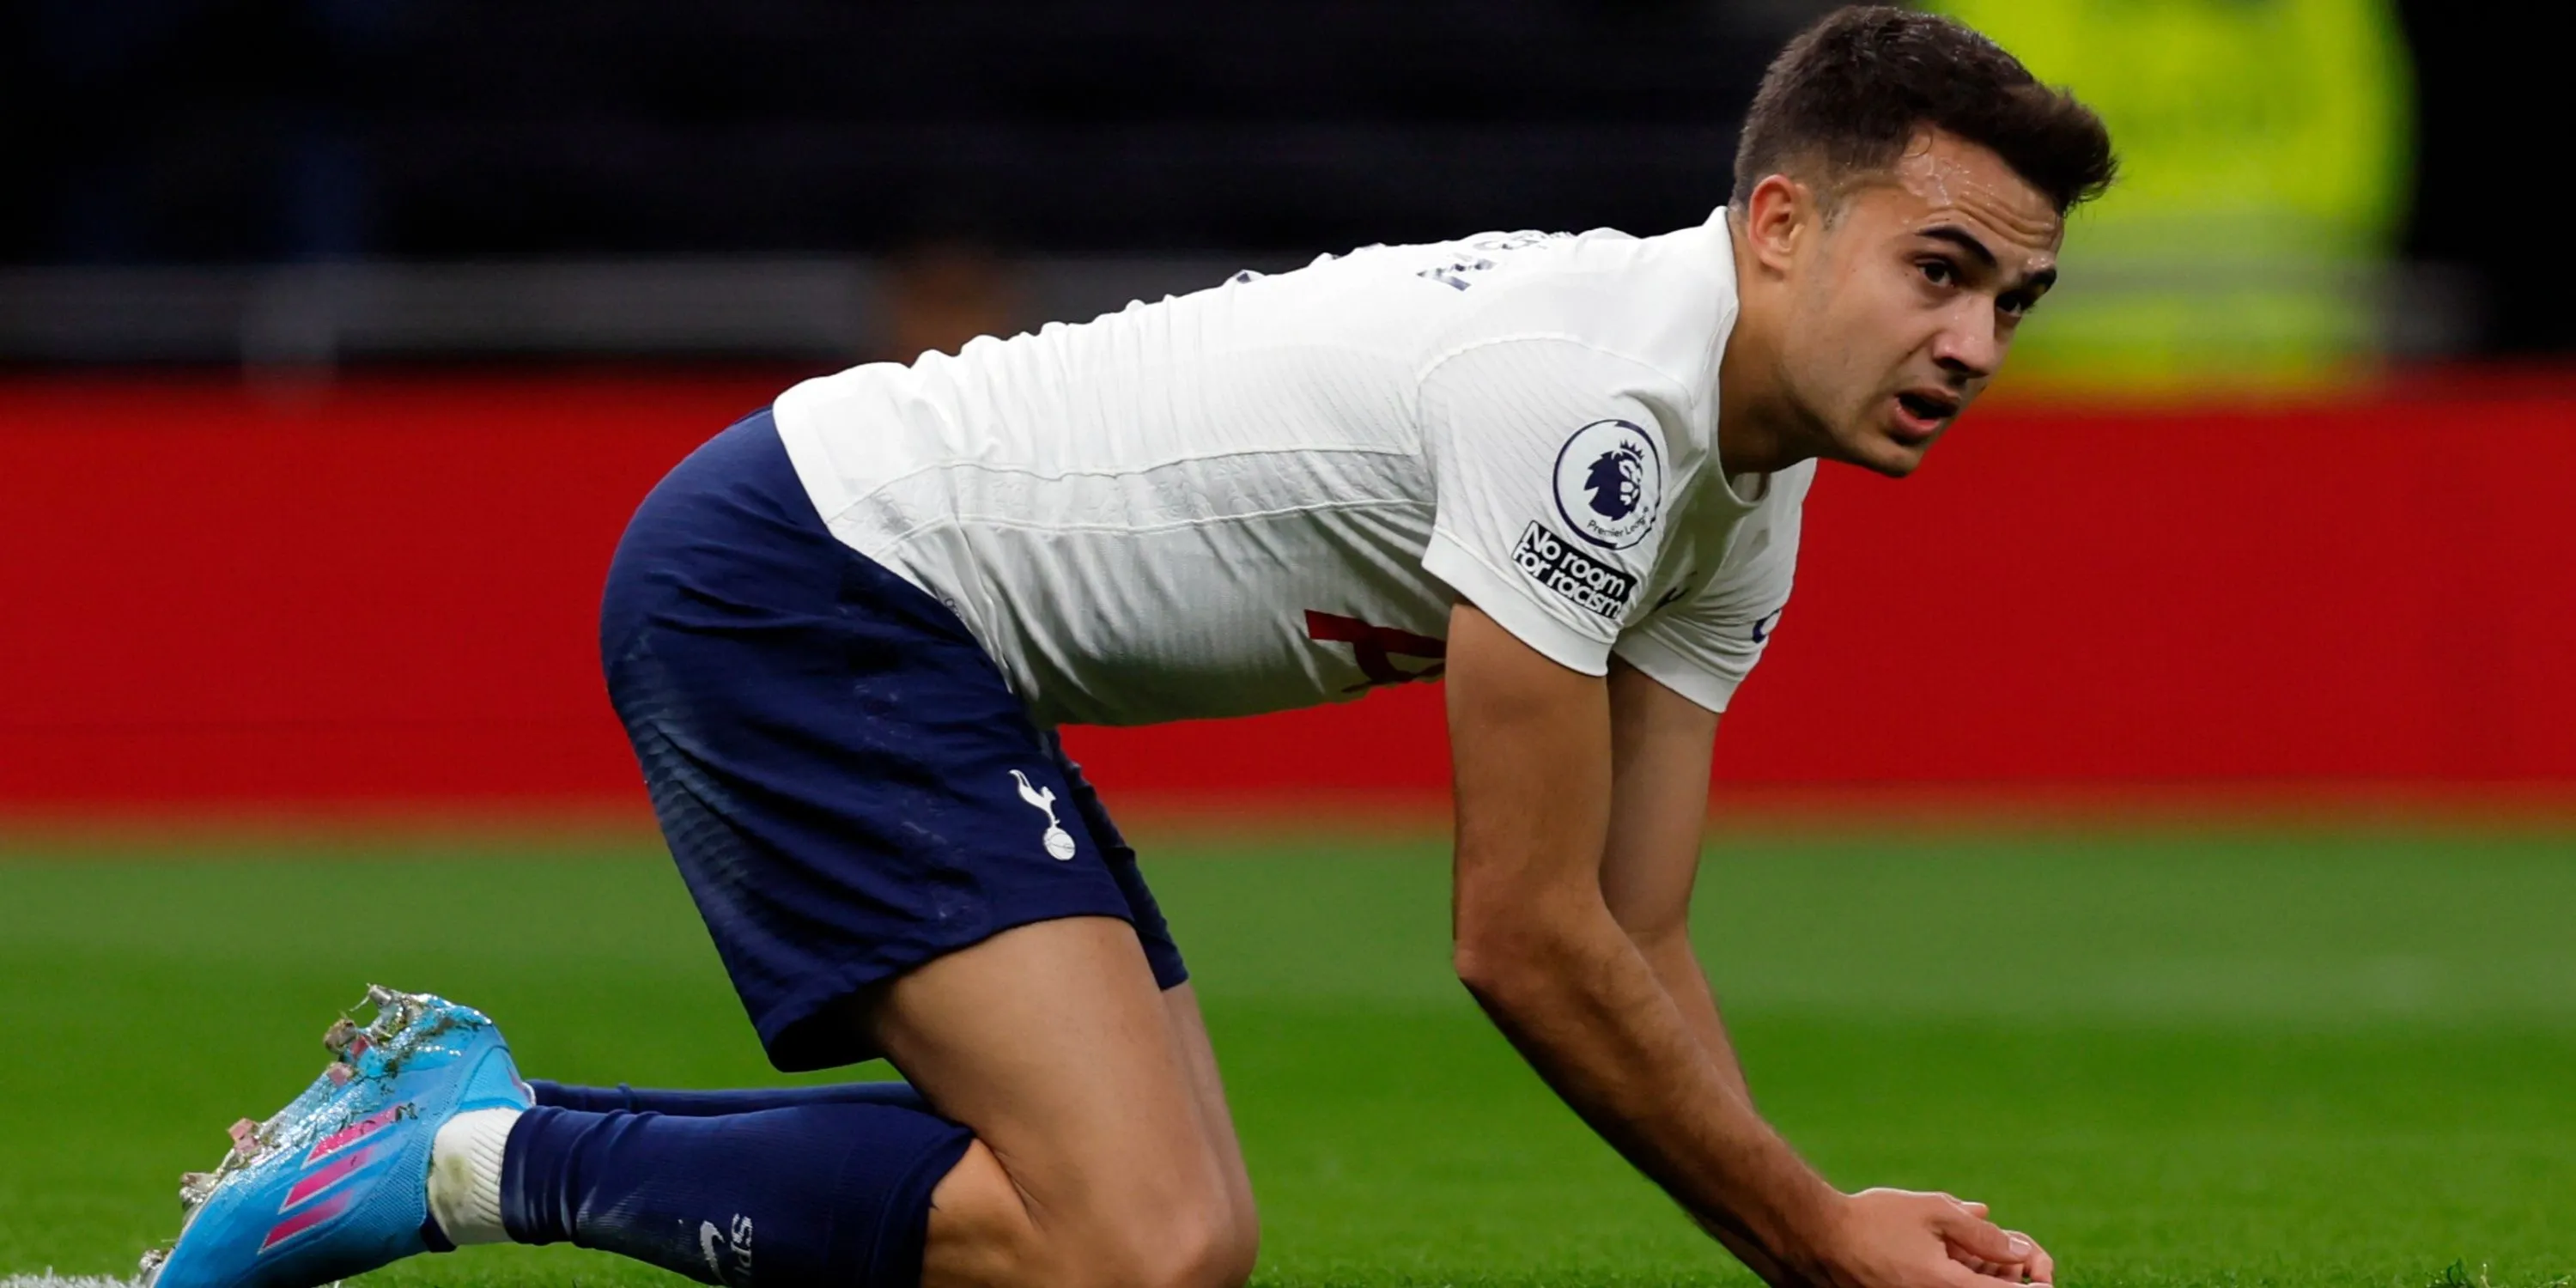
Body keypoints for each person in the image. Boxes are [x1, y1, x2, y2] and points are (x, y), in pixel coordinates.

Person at [143, 9, 2112, 1288]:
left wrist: (1816, 1228)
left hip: (909, 623)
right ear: (1779, 226)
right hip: (805, 573)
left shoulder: (1746, 496)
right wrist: (1817, 1244)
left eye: (2010, 303)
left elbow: (1635, 922)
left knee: (1169, 1241)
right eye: (1935, 272)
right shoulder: (1599, 408)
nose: (1971, 345)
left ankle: (453, 1141)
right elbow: (1520, 937)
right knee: (1133, 1239)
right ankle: (462, 1156)